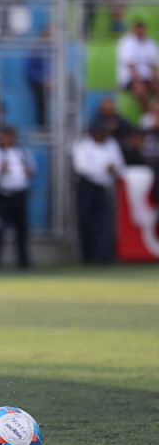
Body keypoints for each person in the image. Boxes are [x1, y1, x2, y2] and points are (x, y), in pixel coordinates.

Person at [0, 126, 36, 268]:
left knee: (22, 230)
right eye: (5, 136)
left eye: (11, 136)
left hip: (20, 196)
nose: (9, 139)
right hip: (2, 197)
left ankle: (24, 263)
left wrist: (29, 173)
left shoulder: (23, 152)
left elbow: (33, 170)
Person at [72, 120, 125, 264]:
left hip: (104, 188)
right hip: (87, 188)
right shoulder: (83, 145)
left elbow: (120, 165)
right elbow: (81, 167)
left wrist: (113, 169)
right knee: (85, 221)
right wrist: (104, 168)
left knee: (104, 222)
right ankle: (88, 257)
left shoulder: (111, 144)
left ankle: (106, 257)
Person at [116, 20, 159, 112]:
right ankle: (148, 114)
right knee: (140, 90)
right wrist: (138, 81)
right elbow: (130, 65)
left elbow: (153, 64)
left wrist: (154, 80)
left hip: (147, 78)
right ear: (133, 30)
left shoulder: (151, 43)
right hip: (131, 79)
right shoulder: (126, 43)